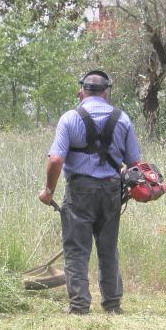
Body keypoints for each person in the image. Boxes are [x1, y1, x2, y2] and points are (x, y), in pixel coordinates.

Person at [38, 70, 142, 314]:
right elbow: (135, 165)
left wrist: (48, 191)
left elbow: (55, 161)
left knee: (76, 250)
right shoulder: (122, 118)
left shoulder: (69, 118)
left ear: (80, 92)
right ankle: (113, 305)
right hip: (111, 190)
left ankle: (79, 306)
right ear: (107, 92)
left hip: (79, 191)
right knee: (108, 249)